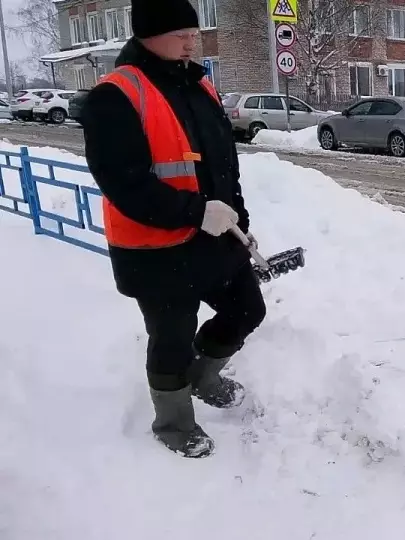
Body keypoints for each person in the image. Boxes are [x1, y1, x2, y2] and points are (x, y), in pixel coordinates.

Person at [80, 0, 266, 458]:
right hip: (156, 249)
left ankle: (204, 377)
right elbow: (125, 184)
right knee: (172, 338)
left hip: (215, 238)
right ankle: (174, 423)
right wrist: (196, 212)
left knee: (247, 310)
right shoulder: (117, 95)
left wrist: (238, 217)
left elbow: (225, 167)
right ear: (147, 34)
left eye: (193, 31)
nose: (190, 40)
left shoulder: (199, 86)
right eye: (179, 32)